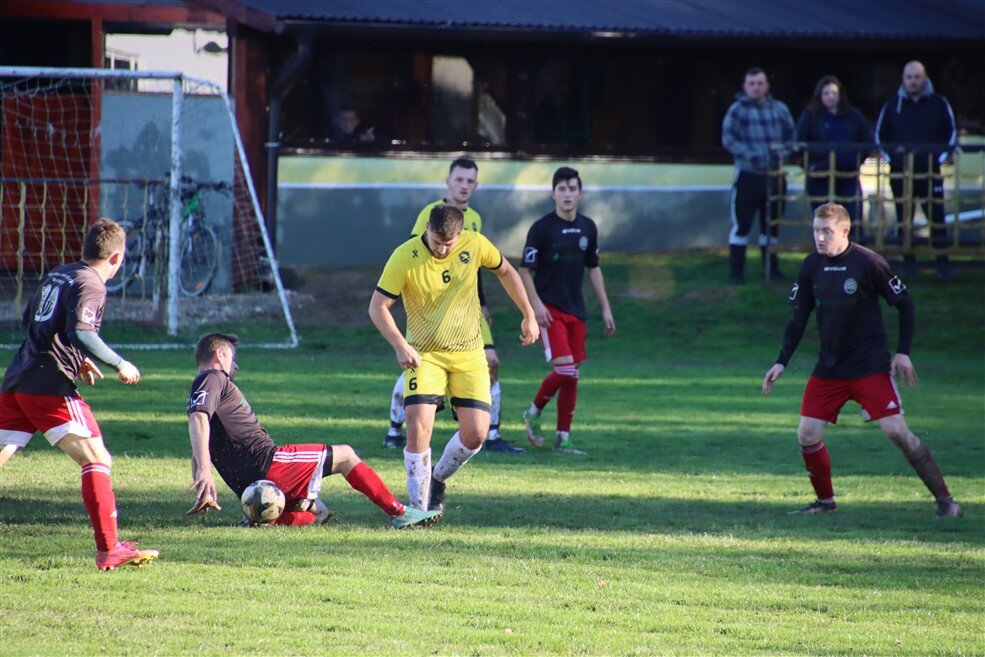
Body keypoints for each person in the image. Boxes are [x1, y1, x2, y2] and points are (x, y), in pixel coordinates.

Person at [762, 202, 962, 518]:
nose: (820, 237)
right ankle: (826, 504)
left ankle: (946, 502)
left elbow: (905, 306)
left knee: (896, 431)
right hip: (830, 367)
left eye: (826, 231)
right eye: (815, 230)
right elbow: (799, 316)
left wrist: (903, 352)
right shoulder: (811, 265)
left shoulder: (869, 263)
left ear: (845, 230)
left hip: (869, 366)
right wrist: (781, 361)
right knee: (807, 433)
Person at [0, 218, 160, 570]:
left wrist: (80, 359)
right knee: (97, 459)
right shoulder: (91, 284)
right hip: (48, 384)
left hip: (18, 377)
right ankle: (109, 549)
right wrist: (119, 363)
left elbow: (34, 319)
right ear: (116, 258)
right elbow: (81, 331)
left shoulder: (61, 273)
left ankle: (111, 546)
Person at [369, 205, 539, 513]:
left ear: (460, 235)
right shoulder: (405, 256)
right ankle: (419, 511)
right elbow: (378, 306)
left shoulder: (475, 243)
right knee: (418, 425)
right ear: (427, 231)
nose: (442, 249)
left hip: (469, 354)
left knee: (476, 434)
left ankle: (437, 477)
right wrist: (399, 345)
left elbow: (506, 271)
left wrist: (528, 315)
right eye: (436, 242)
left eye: (449, 243)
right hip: (424, 355)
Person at [185, 332, 440, 529]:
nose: (234, 365)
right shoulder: (214, 377)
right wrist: (204, 471)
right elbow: (199, 418)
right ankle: (400, 513)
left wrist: (199, 471)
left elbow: (201, 426)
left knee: (318, 513)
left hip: (249, 483)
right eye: (231, 357)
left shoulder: (200, 387)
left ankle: (264, 517)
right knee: (346, 455)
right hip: (268, 464)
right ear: (219, 354)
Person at [385, 157, 525, 454]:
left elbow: (478, 268)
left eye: (469, 181)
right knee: (417, 367)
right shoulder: (430, 214)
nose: (464, 186)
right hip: (431, 318)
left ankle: (492, 432)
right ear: (448, 182)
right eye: (459, 180)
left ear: (476, 185)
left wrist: (483, 303)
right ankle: (395, 426)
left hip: (468, 313)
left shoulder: (473, 220)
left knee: (493, 363)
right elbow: (418, 261)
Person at [519, 167, 616, 456]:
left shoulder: (588, 227)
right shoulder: (541, 228)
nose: (567, 194)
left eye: (572, 188)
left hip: (578, 310)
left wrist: (606, 308)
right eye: (562, 189)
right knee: (565, 369)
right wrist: (535, 306)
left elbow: (594, 270)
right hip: (549, 309)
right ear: (553, 193)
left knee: (572, 375)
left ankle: (563, 438)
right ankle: (532, 413)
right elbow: (525, 272)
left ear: (580, 193)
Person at [875, 60, 958, 278]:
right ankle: (908, 262)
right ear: (903, 79)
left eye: (917, 77)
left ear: (925, 78)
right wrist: (894, 158)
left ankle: (943, 262)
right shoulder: (892, 105)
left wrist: (936, 159)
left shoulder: (939, 103)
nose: (913, 81)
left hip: (930, 173)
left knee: (937, 218)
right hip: (901, 173)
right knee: (904, 219)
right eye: (909, 77)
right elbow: (880, 137)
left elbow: (950, 135)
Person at [722, 66, 796, 284]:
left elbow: (792, 138)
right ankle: (736, 272)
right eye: (752, 83)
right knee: (742, 225)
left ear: (767, 85)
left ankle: (771, 269)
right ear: (745, 86)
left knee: (769, 226)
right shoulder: (737, 110)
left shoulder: (779, 109)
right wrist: (752, 156)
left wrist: (779, 155)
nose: (756, 87)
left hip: (775, 176)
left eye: (760, 83)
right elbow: (728, 139)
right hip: (748, 175)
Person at [795, 74, 873, 237]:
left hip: (848, 176)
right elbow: (798, 145)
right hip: (820, 178)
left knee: (852, 221)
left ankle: (854, 260)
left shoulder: (853, 116)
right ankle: (826, 260)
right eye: (826, 93)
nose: (830, 97)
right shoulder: (811, 116)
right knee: (824, 223)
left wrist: (856, 162)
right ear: (819, 95)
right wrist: (810, 166)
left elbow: (867, 142)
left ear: (840, 95)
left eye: (834, 93)